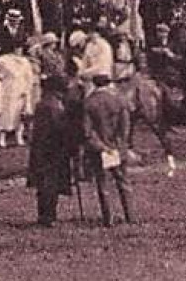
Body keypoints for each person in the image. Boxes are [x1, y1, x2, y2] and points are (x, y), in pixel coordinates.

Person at [83, 70, 135, 226]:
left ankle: (108, 218)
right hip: (118, 146)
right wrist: (122, 144)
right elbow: (126, 127)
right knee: (123, 182)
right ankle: (130, 216)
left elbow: (87, 131)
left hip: (100, 149)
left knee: (103, 183)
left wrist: (101, 147)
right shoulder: (120, 100)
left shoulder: (89, 103)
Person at [27, 76, 72, 226]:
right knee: (50, 185)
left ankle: (46, 215)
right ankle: (48, 217)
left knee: (45, 185)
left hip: (43, 150)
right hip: (51, 151)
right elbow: (57, 128)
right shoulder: (53, 106)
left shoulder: (44, 103)